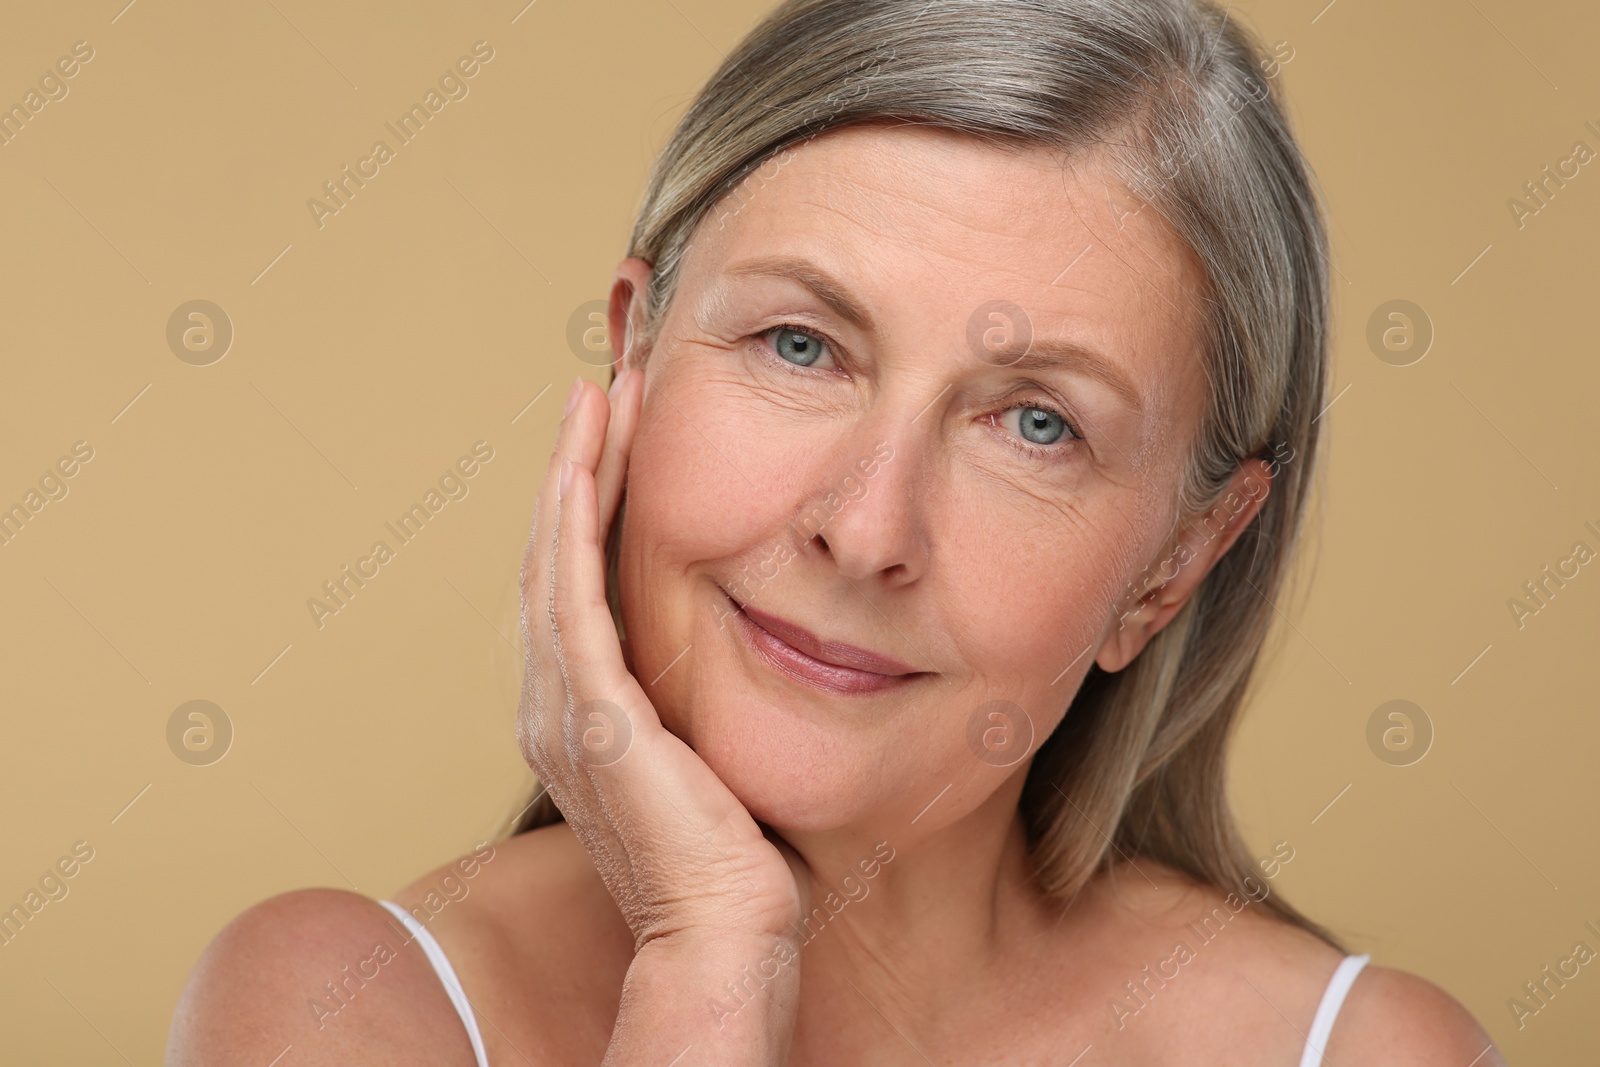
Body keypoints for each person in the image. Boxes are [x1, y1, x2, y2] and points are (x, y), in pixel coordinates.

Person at [168, 0, 1504, 1063]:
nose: (867, 531)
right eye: (800, 345)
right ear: (635, 361)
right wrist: (707, 970)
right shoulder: (336, 1010)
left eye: (1035, 425)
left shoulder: (1370, 1053)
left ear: (1174, 566)